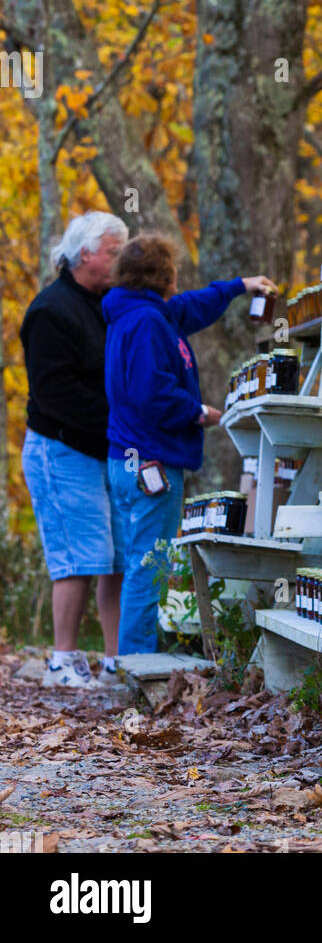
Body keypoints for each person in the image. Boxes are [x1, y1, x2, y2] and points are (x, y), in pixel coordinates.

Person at [103, 233, 276, 655]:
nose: (179, 276)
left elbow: (191, 307)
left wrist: (239, 286)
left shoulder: (144, 314)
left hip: (131, 458)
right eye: (173, 269)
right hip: (150, 465)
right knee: (149, 566)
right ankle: (138, 666)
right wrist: (200, 412)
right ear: (162, 275)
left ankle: (130, 658)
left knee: (139, 563)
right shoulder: (146, 323)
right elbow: (152, 392)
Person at [20, 211, 130, 690]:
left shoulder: (106, 304)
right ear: (84, 254)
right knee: (80, 557)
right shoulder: (51, 310)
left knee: (117, 557)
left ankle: (116, 660)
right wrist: (121, 423)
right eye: (112, 251)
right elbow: (54, 393)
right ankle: (61, 661)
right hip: (60, 450)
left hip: (103, 449)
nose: (119, 260)